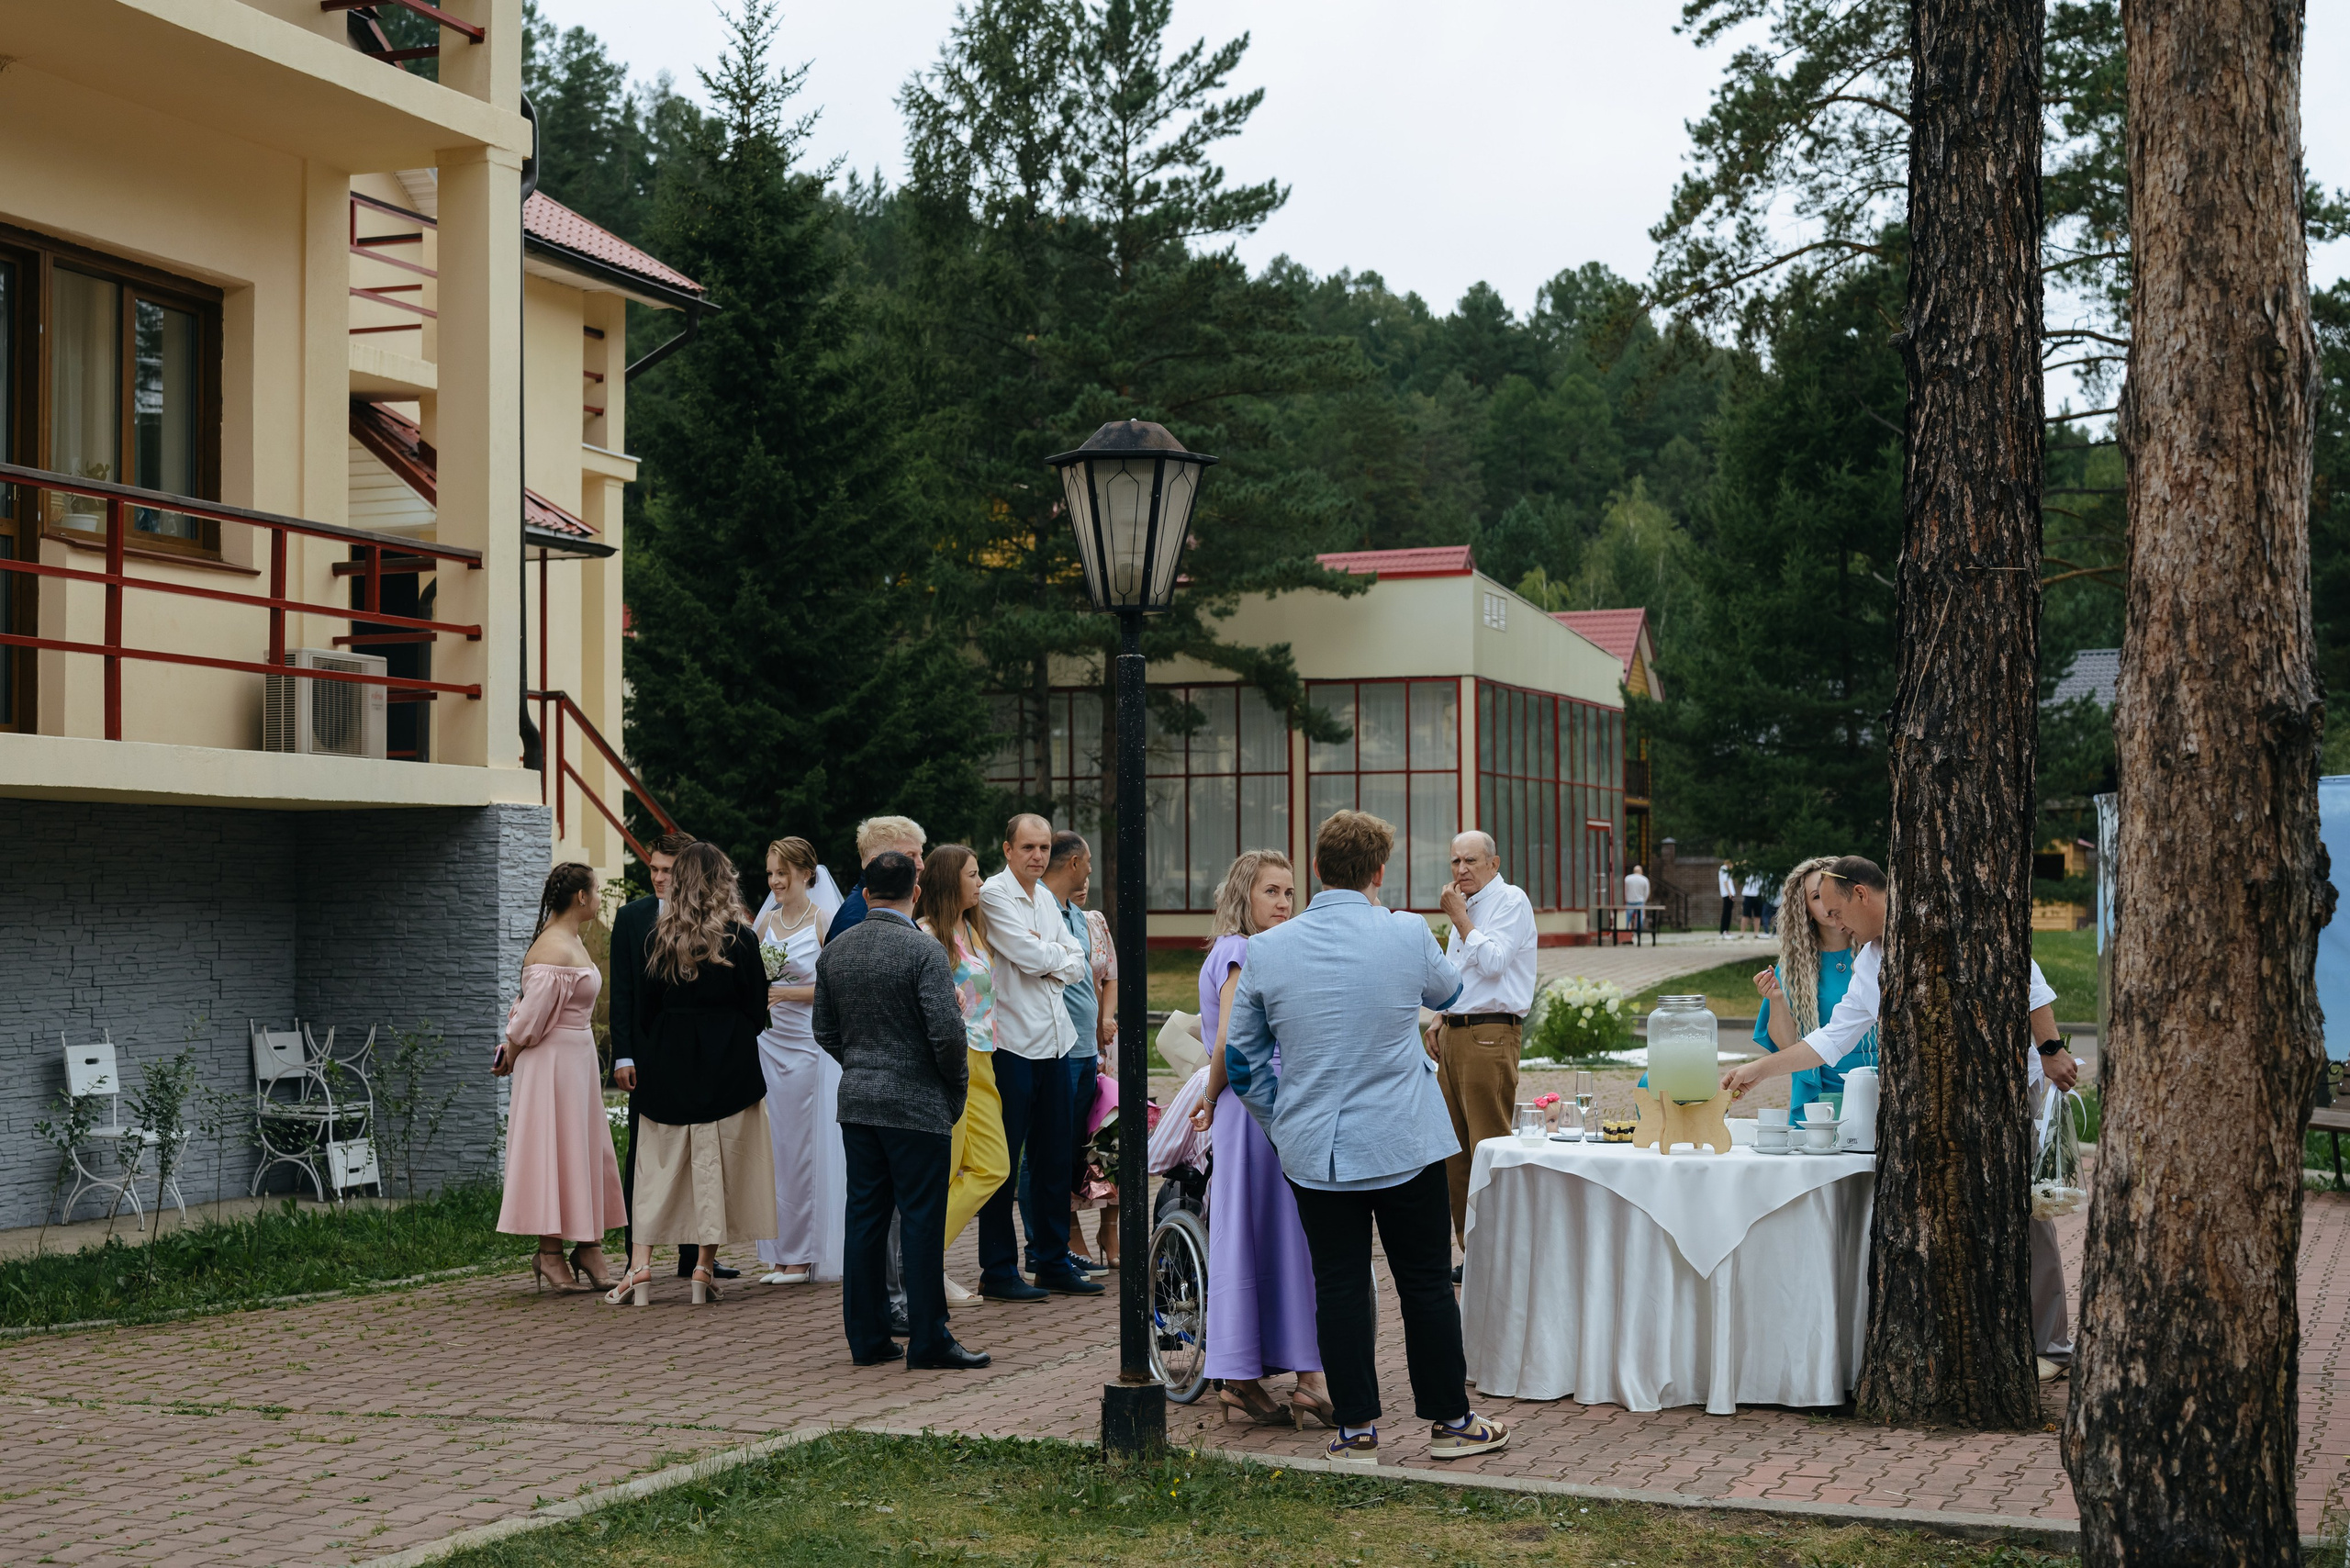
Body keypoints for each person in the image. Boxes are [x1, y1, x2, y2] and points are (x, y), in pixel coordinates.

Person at [1225, 809, 1508, 1465]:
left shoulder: (1269, 948)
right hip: (1404, 1140)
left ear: (1318, 870)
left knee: (1341, 1287)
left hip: (1316, 1146)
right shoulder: (1406, 933)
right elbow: (1451, 985)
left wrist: (1280, 1120)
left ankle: (1355, 1431)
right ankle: (1451, 1422)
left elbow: (1242, 1061)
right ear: (1379, 873)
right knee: (1427, 1285)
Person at [813, 850, 990, 1370]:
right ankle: (929, 1340)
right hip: (917, 1104)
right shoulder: (923, 953)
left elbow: (823, 1030)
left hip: (860, 1103)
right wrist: (952, 1089)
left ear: (866, 894)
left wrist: (863, 1065)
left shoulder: (836, 951)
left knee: (865, 1219)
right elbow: (947, 1035)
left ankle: (866, 1339)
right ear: (915, 892)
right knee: (920, 1220)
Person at [1185, 849, 1330, 1428]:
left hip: (1264, 1102)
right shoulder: (1241, 951)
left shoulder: (1256, 950)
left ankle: (1264, 1375)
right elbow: (1230, 1043)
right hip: (1253, 1107)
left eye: (1290, 893)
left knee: (1270, 1235)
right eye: (1272, 891)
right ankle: (1268, 1375)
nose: (1284, 903)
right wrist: (1208, 1095)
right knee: (1265, 1233)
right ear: (1244, 894)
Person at [605, 843, 776, 1307]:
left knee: (655, 1167)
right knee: (715, 1164)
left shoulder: (655, 938)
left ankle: (640, 1265)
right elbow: (756, 1007)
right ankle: (702, 1265)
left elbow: (644, 1008)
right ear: (722, 882)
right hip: (727, 1065)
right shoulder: (741, 939)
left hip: (666, 1062)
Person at [975, 814, 1101, 1302]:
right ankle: (999, 1269)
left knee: (1053, 1157)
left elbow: (1076, 958)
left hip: (1056, 1041)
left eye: (1044, 847)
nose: (1038, 856)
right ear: (1007, 849)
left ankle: (1051, 1261)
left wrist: (1052, 960)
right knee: (1003, 1162)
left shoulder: (1047, 897)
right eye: (1028, 847)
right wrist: (1053, 960)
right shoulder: (993, 894)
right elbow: (1029, 957)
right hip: (1012, 1045)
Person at [610, 831, 736, 1281]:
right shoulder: (632, 917)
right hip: (650, 1058)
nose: (659, 878)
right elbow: (623, 993)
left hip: (703, 1060)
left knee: (701, 1151)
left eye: (668, 870)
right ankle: (634, 1257)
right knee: (645, 1156)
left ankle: (695, 1256)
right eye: (654, 869)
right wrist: (624, 1056)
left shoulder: (718, 920)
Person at [496, 862, 627, 1292]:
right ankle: (550, 1254)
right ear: (582, 898)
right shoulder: (553, 948)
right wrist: (510, 1052)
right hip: (551, 1064)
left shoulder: (571, 939)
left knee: (580, 1149)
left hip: (576, 1061)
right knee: (554, 1150)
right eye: (595, 889)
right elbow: (530, 1018)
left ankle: (588, 1246)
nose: (598, 896)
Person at [1431, 830, 1539, 1258]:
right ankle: (1473, 1253)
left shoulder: (1511, 901)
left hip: (1490, 1034)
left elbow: (1494, 963)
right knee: (1454, 1155)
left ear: (1493, 864)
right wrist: (1440, 1016)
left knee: (1489, 1147)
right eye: (1455, 862)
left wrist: (1460, 918)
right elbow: (1461, 975)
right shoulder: (1468, 908)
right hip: (1455, 1033)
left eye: (1471, 861)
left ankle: (1502, 1258)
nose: (1461, 870)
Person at [913, 843, 1011, 1305]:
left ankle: (920, 1259)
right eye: (973, 874)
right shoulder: (928, 933)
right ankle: (921, 1266)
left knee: (993, 1166)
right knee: (946, 1170)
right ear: (951, 879)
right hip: (952, 1061)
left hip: (984, 1058)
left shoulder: (972, 929)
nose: (980, 881)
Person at [752, 837, 845, 1285]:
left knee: (803, 1147)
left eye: (782, 873)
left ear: (807, 874)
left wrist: (785, 992)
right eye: (770, 874)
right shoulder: (765, 922)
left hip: (807, 1046)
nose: (775, 882)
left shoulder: (823, 922)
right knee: (774, 1148)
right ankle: (777, 1252)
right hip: (770, 1044)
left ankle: (803, 1255)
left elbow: (835, 987)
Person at [1721, 855, 1886, 1103]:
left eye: (1838, 912)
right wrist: (1759, 1069)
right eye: (1819, 901)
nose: (1838, 924)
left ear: (1861, 894)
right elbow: (1832, 1038)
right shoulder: (1868, 962)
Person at [1028, 832, 1111, 1277]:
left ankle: (1057, 1246)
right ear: (1075, 863)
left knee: (1070, 1150)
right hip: (1053, 1046)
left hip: (1083, 1048)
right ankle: (1040, 1245)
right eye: (1089, 862)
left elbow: (1087, 975)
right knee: (1043, 1151)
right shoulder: (1037, 906)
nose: (1091, 871)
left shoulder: (1077, 915)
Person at [1749, 856, 1862, 1123]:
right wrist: (1776, 998)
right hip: (1821, 1091)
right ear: (1804, 909)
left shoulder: (1876, 953)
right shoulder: (1793, 969)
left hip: (1879, 1084)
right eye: (1817, 897)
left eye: (1833, 893)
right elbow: (1788, 1046)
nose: (1829, 904)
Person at [2026, 960, 2078, 1382]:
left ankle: (2052, 1345)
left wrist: (2050, 1049)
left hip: (2009, 1083)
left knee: (2031, 1214)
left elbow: (2028, 982)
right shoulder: (1869, 957)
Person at [1071, 871, 1122, 1269]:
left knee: (1112, 1134)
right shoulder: (1050, 918)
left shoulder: (1096, 920)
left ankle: (1110, 1227)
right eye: (1077, 871)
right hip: (1071, 1041)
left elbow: (1112, 976)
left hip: (1106, 1042)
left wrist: (1106, 1021)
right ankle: (1071, 1229)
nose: (1085, 881)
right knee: (1072, 1136)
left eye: (1089, 874)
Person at [830, 815, 928, 937]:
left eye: (920, 855)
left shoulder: (889, 905)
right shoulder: (856, 920)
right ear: (876, 863)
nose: (921, 865)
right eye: (909, 857)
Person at [1623, 863, 1651, 945]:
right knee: (1639, 919)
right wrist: (1644, 900)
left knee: (1627, 919)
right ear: (1641, 871)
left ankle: (1626, 933)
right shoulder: (1644, 879)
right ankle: (1638, 933)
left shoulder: (1627, 879)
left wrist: (1626, 899)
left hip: (1629, 901)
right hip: (1639, 901)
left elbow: (1624, 890)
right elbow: (1646, 892)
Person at [1740, 869, 1765, 937]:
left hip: (1759, 895)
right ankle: (1742, 933)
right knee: (1745, 915)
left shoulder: (1762, 871)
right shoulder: (1748, 870)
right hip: (1748, 894)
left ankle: (1756, 933)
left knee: (1757, 915)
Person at [1718, 859, 1738, 939]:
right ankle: (1724, 930)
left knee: (1729, 912)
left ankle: (1726, 929)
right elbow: (1725, 882)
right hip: (1727, 894)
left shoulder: (1726, 870)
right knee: (1726, 912)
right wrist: (1729, 893)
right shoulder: (1724, 869)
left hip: (1730, 894)